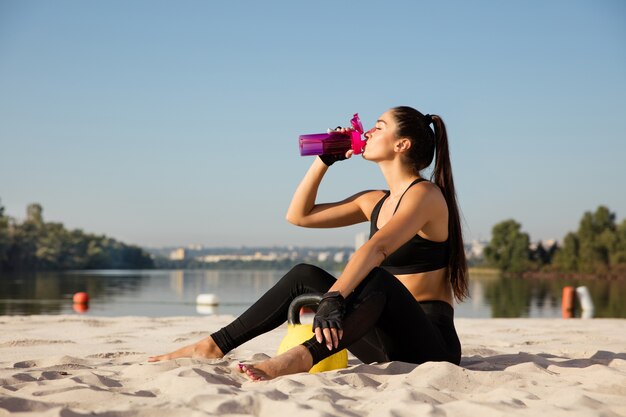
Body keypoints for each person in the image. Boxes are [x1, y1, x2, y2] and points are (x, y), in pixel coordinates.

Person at [148, 106, 469, 381]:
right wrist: (324, 161)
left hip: (428, 344)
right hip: (377, 339)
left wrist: (334, 298)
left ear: (402, 144)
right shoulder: (374, 201)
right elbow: (299, 215)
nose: (368, 132)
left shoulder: (425, 195)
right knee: (304, 274)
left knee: (377, 277)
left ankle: (301, 357)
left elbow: (377, 249)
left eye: (379, 126)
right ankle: (213, 345)